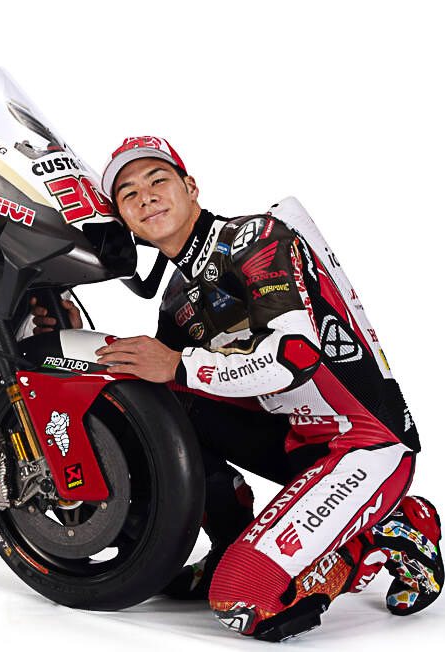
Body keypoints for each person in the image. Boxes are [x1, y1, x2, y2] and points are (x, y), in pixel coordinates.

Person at [30, 136, 443, 641]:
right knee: (161, 404)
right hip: (293, 441)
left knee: (244, 602)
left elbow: (294, 357)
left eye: (158, 180)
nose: (146, 197)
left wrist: (178, 365)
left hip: (365, 442)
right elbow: (165, 392)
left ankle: (392, 531)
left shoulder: (256, 237)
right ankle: (232, 539)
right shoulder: (176, 296)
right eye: (128, 193)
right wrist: (74, 328)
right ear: (124, 219)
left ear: (191, 187)